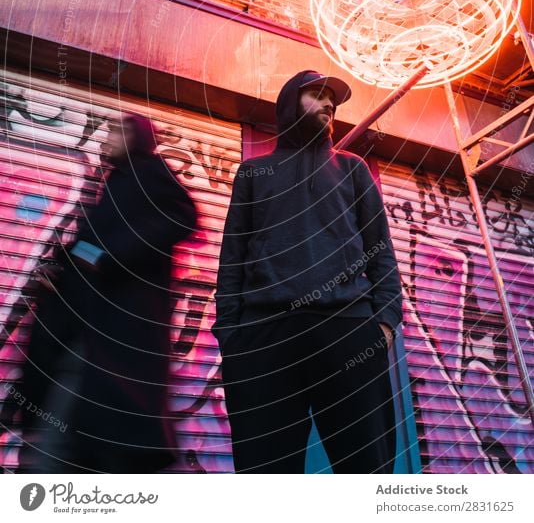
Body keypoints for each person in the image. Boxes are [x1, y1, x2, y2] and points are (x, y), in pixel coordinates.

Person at [214, 70, 402, 474]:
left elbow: (381, 253)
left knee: (367, 470)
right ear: (289, 103)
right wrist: (231, 336)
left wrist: (384, 324)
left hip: (347, 330)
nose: (329, 104)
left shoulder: (354, 171)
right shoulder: (253, 173)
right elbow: (232, 259)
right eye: (317, 95)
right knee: (265, 477)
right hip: (264, 339)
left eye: (331, 98)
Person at [17, 113, 197, 473]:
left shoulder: (148, 172)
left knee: (76, 448)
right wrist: (62, 268)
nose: (106, 138)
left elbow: (181, 216)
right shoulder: (117, 184)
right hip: (88, 337)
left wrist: (110, 257)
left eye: (116, 131)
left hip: (114, 342)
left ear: (136, 137)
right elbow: (91, 249)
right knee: (72, 445)